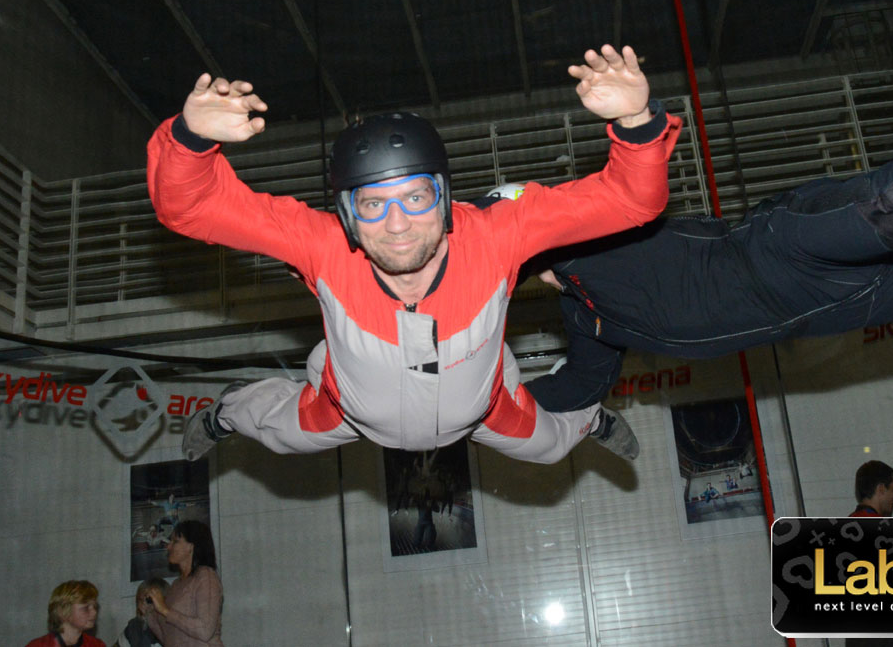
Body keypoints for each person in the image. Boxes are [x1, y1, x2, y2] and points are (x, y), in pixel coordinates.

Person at [512, 0, 893, 413]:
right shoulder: (584, 317)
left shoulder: (589, 233)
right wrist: (477, 411)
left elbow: (633, 183)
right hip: (850, 306)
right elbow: (580, 386)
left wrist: (636, 118)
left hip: (782, 253)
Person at [148, 44, 682, 464]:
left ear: (444, 196)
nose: (397, 223)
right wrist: (190, 139)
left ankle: (590, 419)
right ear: (347, 214)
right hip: (344, 408)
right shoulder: (322, 246)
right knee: (273, 429)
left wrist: (638, 121)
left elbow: (631, 201)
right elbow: (189, 207)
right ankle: (225, 412)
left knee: (548, 448)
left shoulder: (498, 235)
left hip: (483, 407)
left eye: (416, 197)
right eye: (373, 204)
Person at [144, 520, 224, 647]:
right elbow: (169, 639)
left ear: (191, 546)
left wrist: (165, 610)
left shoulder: (206, 577)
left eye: (175, 541)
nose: (168, 547)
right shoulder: (176, 585)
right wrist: (149, 612)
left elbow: (205, 630)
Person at [24, 580, 104, 647]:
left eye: (95, 606)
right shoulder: (38, 645)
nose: (94, 612)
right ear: (62, 611)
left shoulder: (97, 645)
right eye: (85, 608)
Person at [116, 579, 167, 647]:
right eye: (140, 600)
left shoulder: (169, 629)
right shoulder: (134, 627)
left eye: (149, 601)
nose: (143, 606)